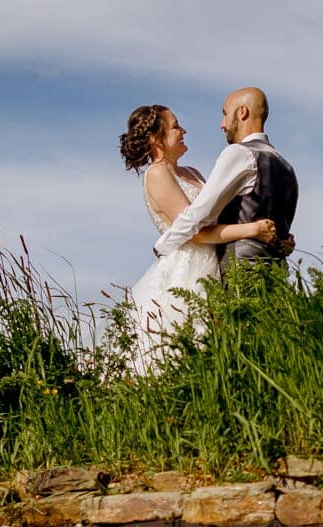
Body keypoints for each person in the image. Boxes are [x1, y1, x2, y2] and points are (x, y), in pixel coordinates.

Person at [119, 104, 279, 375]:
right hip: (188, 268)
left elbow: (217, 218)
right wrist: (252, 230)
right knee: (183, 345)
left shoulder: (191, 173)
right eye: (175, 126)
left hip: (214, 260)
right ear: (156, 138)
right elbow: (195, 233)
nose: (183, 131)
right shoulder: (157, 174)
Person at [154, 87, 298, 277]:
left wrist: (162, 246)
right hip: (277, 275)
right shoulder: (287, 167)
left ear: (242, 112)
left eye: (225, 114)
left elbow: (201, 212)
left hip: (241, 271)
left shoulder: (240, 153)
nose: (222, 124)